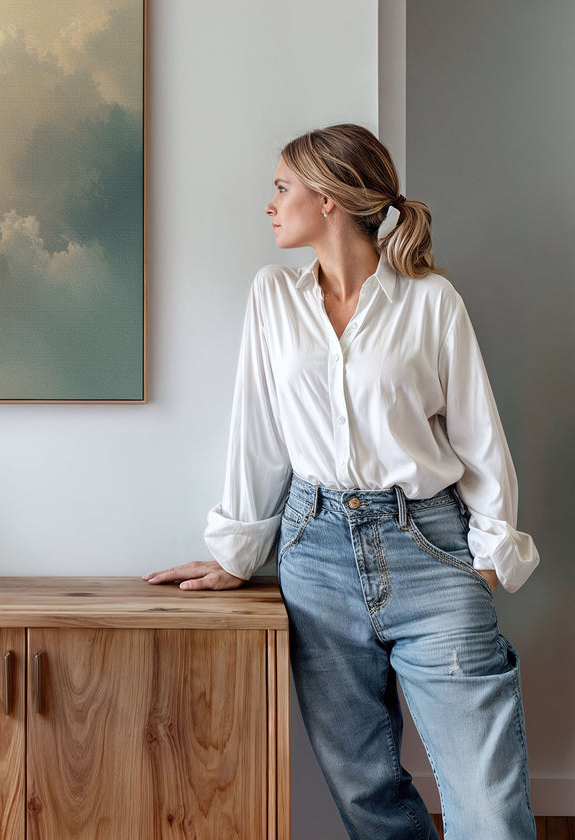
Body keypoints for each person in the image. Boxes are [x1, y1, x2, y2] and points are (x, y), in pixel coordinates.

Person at [144, 124, 539, 840]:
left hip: (430, 546)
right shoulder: (273, 298)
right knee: (366, 795)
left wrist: (487, 556)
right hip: (314, 552)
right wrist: (238, 553)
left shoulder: (431, 302)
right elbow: (256, 432)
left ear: (328, 200)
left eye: (281, 187)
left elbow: (480, 437)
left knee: (488, 803)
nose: (270, 204)